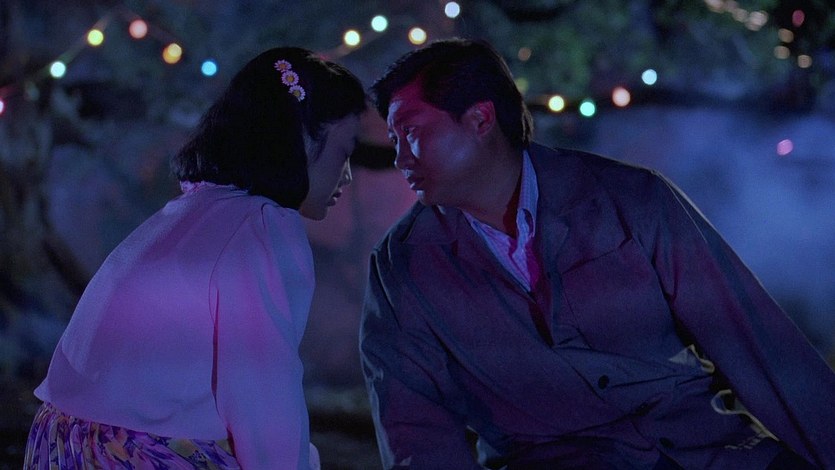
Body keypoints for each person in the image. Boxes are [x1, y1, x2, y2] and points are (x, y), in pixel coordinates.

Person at [359, 38, 835, 469]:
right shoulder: (403, 266)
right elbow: (415, 428)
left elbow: (754, 338)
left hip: (703, 449)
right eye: (394, 140)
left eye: (411, 131)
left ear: (481, 119)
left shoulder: (629, 199)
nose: (400, 159)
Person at [25, 46, 366, 469]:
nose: (347, 176)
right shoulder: (262, 226)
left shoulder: (195, 210)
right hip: (132, 453)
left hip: (62, 443)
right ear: (302, 140)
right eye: (344, 152)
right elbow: (263, 391)